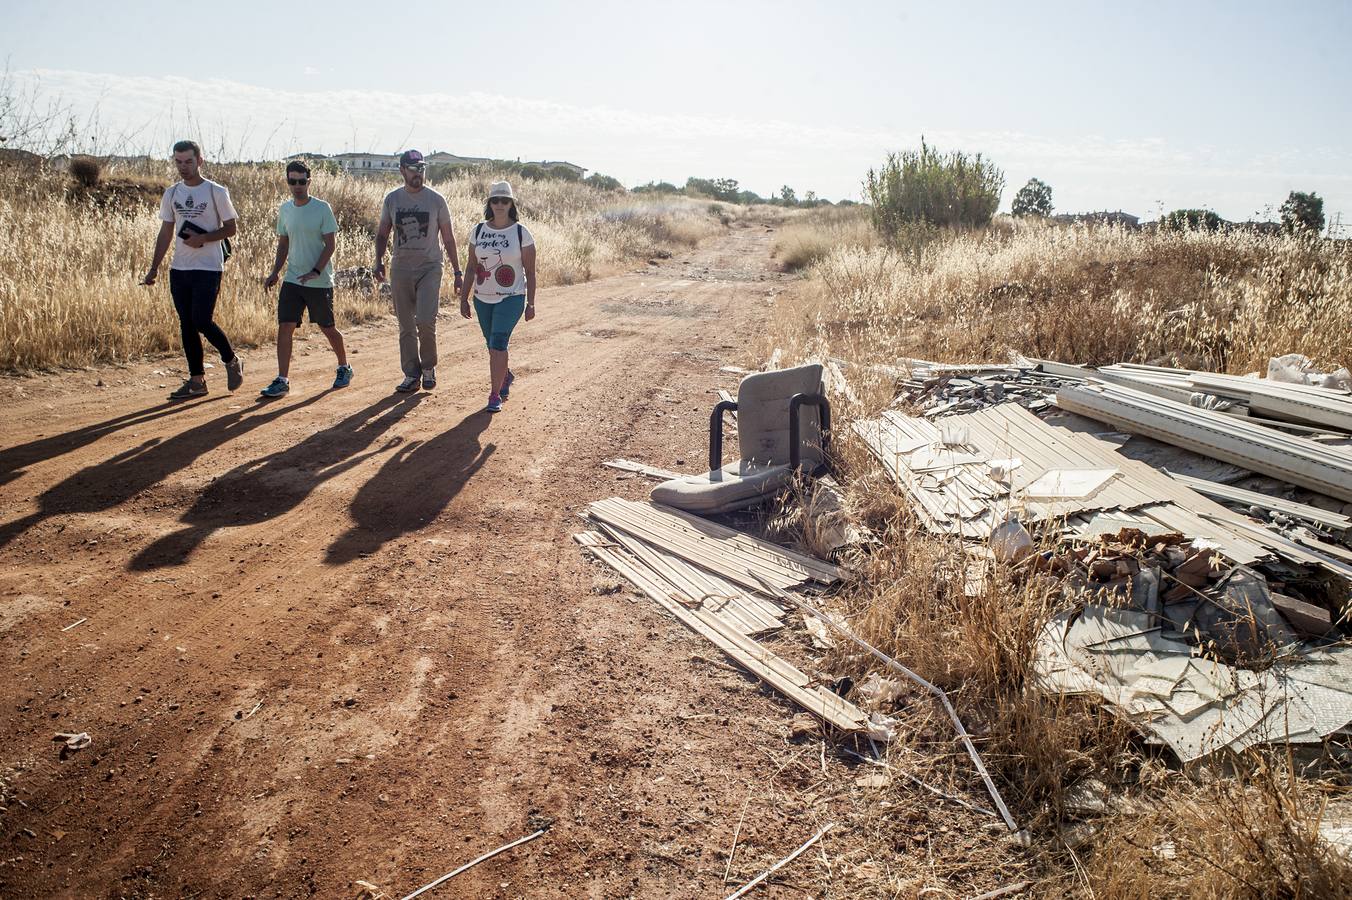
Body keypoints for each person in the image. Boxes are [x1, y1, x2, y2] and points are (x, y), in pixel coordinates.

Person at [142, 140, 245, 399]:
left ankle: (231, 359)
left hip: (209, 267)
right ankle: (197, 381)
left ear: (200, 160)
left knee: (201, 319)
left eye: (188, 161)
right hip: (180, 268)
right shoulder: (172, 193)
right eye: (178, 162)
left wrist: (204, 238)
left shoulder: (216, 192)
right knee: (187, 324)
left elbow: (231, 228)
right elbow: (166, 231)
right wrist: (154, 267)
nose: (183, 167)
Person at [261, 161, 352, 397]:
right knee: (285, 326)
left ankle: (344, 366)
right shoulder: (285, 210)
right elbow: (283, 243)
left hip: (319, 281)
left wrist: (316, 271)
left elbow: (330, 244)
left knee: (327, 327)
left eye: (302, 181)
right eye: (293, 181)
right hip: (292, 279)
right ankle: (282, 379)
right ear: (288, 182)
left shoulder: (322, 208)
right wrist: (275, 272)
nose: (297, 186)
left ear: (309, 182)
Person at [374, 150, 463, 392]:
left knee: (425, 320)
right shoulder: (392, 200)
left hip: (429, 267)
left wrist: (457, 272)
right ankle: (411, 374)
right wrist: (378, 261)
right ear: (402, 170)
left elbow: (448, 238)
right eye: (413, 169)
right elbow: (382, 233)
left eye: (422, 168)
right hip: (401, 267)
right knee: (405, 325)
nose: (418, 173)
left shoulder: (436, 200)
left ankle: (428, 367)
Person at [459, 181, 535, 413]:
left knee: (498, 342)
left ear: (511, 204)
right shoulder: (479, 231)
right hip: (482, 298)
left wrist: (531, 303)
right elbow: (471, 267)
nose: (500, 204)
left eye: (504, 200)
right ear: (489, 203)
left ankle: (494, 395)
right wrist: (464, 297)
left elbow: (530, 272)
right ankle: (505, 375)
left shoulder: (521, 233)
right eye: (495, 200)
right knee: (491, 345)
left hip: (511, 297)